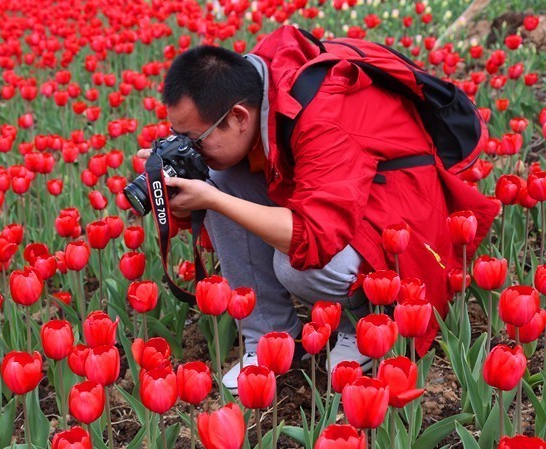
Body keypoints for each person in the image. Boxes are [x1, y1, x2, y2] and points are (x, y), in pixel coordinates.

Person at [138, 25, 497, 392]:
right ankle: (273, 339)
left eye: (193, 139)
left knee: (295, 267)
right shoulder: (259, 82)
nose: (187, 147)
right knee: (219, 177)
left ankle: (365, 326)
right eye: (177, 136)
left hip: (401, 210)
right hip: (340, 187)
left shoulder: (323, 115)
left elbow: (314, 237)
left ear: (239, 117)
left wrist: (212, 199)